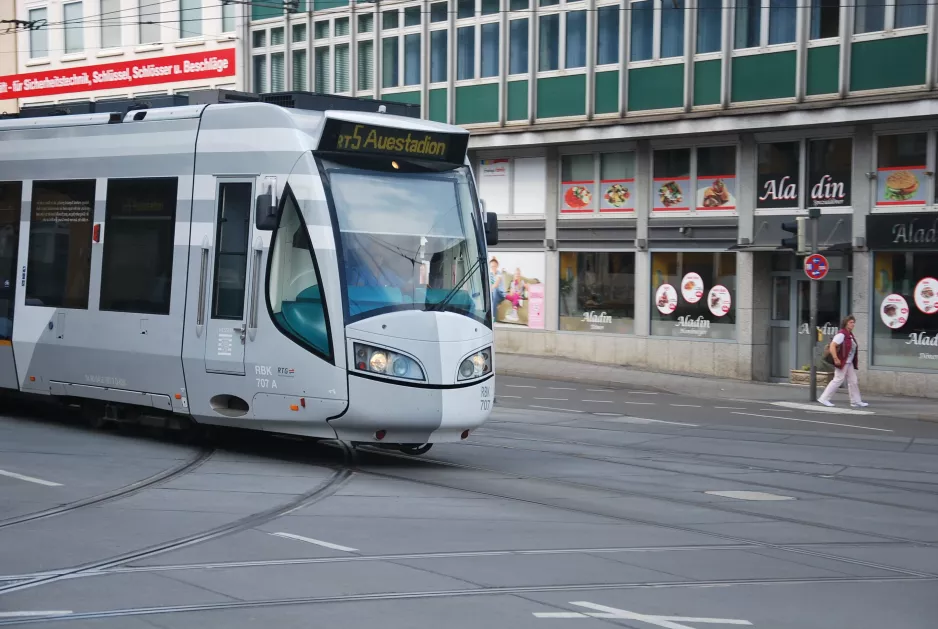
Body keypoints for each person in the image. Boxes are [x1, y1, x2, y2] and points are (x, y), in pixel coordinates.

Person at [817, 314, 869, 408]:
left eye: (853, 322)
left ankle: (855, 401)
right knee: (838, 379)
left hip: (848, 362)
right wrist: (836, 358)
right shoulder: (842, 334)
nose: (853, 324)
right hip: (842, 362)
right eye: (851, 322)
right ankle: (824, 398)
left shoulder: (849, 334)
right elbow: (832, 345)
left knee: (853, 381)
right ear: (846, 323)